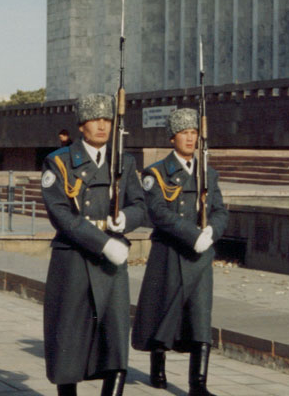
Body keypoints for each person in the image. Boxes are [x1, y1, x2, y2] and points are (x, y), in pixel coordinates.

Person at [41, 93, 147, 396]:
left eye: (107, 120)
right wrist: (102, 243)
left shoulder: (124, 162)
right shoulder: (59, 161)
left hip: (112, 262)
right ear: (81, 125)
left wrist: (126, 218)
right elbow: (60, 214)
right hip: (74, 257)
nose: (102, 126)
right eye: (95, 119)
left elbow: (140, 204)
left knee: (114, 337)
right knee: (69, 338)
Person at [131, 108, 229, 396]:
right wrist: (191, 234)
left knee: (200, 315)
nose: (190, 138)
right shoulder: (156, 173)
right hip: (170, 252)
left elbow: (221, 210)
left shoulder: (208, 173)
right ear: (172, 138)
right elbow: (158, 213)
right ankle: (157, 366)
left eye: (194, 133)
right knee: (165, 310)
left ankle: (197, 384)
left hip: (200, 256)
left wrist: (212, 231)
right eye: (184, 133)